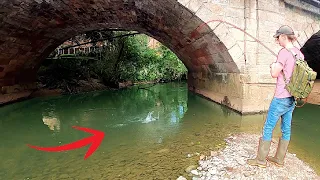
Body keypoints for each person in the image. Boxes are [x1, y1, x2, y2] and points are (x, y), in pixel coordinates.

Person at [247, 25, 304, 168]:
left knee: (268, 127)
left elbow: (274, 73)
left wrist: (273, 65)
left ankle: (260, 160)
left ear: (284, 37)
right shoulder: (299, 54)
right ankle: (279, 159)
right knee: (287, 129)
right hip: (292, 99)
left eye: (278, 38)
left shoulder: (283, 53)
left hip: (281, 97)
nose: (277, 41)